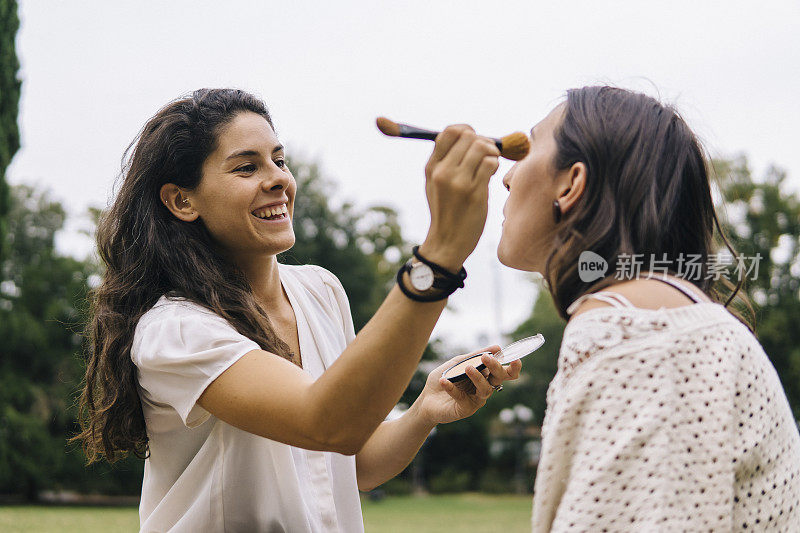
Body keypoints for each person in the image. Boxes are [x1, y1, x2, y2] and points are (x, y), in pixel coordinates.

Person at [73, 88, 522, 532]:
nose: (279, 180)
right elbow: (326, 424)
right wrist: (438, 258)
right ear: (182, 201)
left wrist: (424, 410)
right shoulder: (176, 329)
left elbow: (354, 461)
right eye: (247, 167)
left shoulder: (321, 290)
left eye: (279, 160)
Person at [498, 86, 800, 531]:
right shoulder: (657, 323)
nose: (506, 177)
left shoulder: (642, 339)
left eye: (528, 146)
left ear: (571, 183)